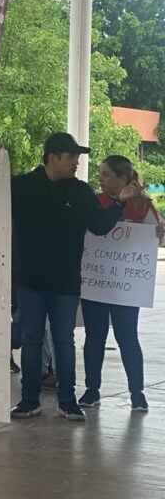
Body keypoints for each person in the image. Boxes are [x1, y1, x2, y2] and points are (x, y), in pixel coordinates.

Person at [9, 132, 141, 422]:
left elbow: (100, 226)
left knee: (63, 341)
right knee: (31, 340)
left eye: (77, 158)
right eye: (71, 157)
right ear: (53, 157)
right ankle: (29, 400)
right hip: (30, 281)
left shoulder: (79, 192)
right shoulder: (21, 186)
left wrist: (120, 203)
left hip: (66, 284)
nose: (76, 163)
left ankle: (67, 401)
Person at [79, 155, 163, 412]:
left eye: (105, 174)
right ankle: (92, 390)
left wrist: (159, 234)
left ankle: (137, 392)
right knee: (95, 336)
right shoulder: (95, 202)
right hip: (97, 282)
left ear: (122, 178)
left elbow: (154, 239)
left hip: (126, 287)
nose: (100, 180)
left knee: (127, 337)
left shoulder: (143, 206)